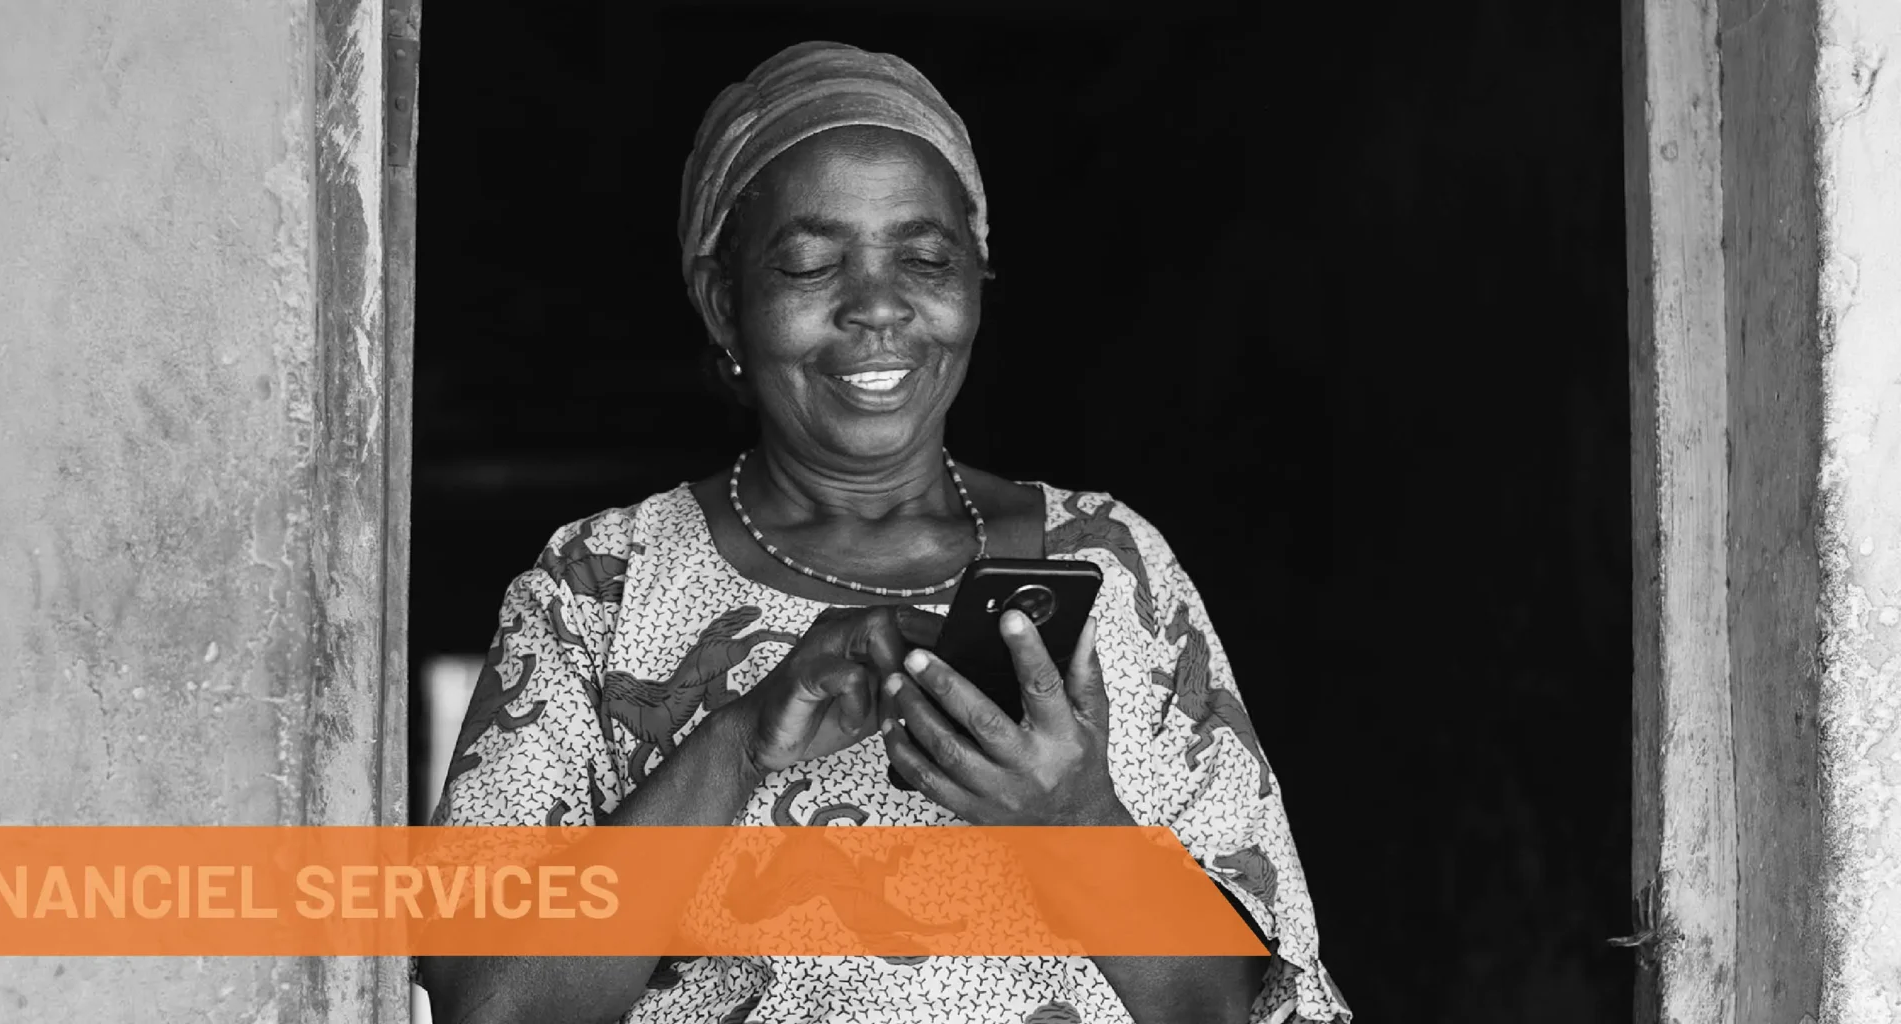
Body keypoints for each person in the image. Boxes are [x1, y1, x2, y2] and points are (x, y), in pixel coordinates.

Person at [418, 41, 1349, 1024]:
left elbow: (1260, 1010)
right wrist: (737, 742)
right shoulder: (598, 585)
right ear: (723, 302)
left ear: (975, 284)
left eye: (923, 258)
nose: (875, 306)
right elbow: (491, 1004)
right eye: (810, 262)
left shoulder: (1109, 566)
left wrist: (1075, 822)